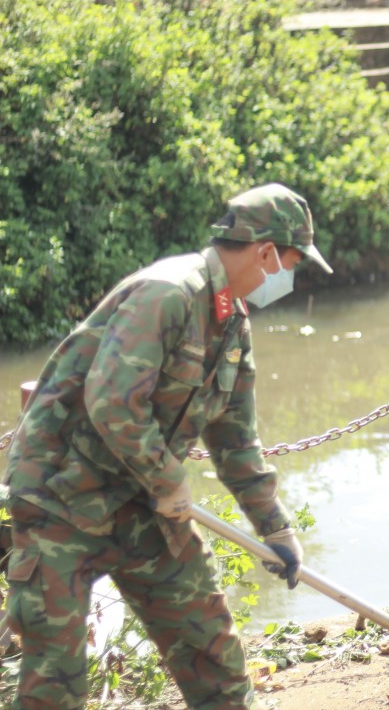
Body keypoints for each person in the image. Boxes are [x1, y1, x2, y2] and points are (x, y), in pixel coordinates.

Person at [3, 183, 332, 709]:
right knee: (56, 680)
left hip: (140, 503)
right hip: (60, 499)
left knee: (210, 646)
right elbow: (113, 401)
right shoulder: (168, 293)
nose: (287, 277)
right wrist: (166, 478)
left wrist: (275, 525)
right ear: (267, 251)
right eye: (291, 262)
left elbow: (235, 439)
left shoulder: (231, 321)